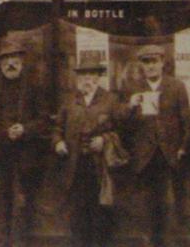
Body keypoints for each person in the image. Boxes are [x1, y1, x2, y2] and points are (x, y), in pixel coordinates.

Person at [0, 37, 48, 247]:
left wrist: (25, 129)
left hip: (25, 155)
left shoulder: (34, 87)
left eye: (15, 58)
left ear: (22, 61)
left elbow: (44, 121)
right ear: (0, 63)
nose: (10, 63)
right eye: (6, 59)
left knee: (23, 204)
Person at [122, 44, 190, 247]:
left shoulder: (176, 86)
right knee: (145, 209)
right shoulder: (132, 88)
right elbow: (124, 127)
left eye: (154, 61)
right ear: (141, 66)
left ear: (162, 63)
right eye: (146, 62)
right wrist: (130, 107)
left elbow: (186, 122)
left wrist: (183, 148)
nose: (151, 66)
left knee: (169, 207)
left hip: (168, 157)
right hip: (144, 158)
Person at [53, 49, 124, 247]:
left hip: (100, 167)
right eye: (83, 74)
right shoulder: (70, 100)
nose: (87, 79)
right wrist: (58, 142)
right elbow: (57, 128)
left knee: (101, 214)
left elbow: (122, 130)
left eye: (92, 74)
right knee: (78, 214)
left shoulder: (110, 100)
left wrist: (104, 139)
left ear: (99, 77)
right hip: (75, 166)